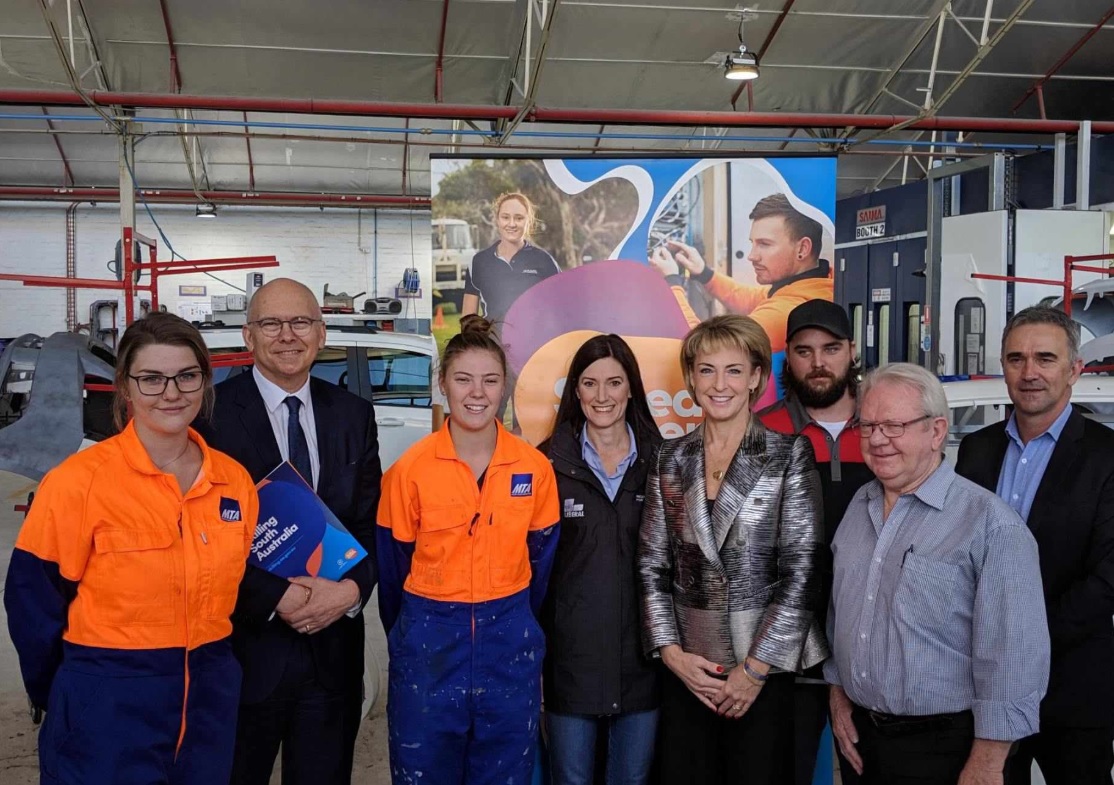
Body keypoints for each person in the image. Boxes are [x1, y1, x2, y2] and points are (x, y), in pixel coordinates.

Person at [5, 312, 258, 785]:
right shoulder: (78, 483)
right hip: (105, 705)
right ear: (125, 386)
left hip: (208, 702)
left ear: (205, 382)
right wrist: (73, 692)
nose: (171, 393)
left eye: (186, 376)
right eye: (152, 378)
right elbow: (32, 603)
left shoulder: (233, 482)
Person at [826, 363, 1050, 785]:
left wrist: (988, 763)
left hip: (948, 750)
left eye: (894, 425)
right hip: (862, 740)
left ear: (936, 431)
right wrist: (838, 694)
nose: (877, 439)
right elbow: (843, 614)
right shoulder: (859, 505)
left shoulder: (991, 526)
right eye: (868, 425)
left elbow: (1013, 661)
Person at [196, 278, 381, 785]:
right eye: (271, 323)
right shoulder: (209, 418)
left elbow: (368, 524)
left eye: (300, 321)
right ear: (248, 336)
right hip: (245, 653)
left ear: (321, 334)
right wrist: (278, 596)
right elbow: (201, 537)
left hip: (333, 654)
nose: (287, 335)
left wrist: (349, 592)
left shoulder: (353, 415)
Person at [638, 313, 827, 785]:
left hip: (765, 673)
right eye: (707, 370)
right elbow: (652, 565)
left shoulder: (789, 454)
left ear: (756, 378)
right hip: (689, 673)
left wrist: (754, 671)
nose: (719, 385)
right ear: (691, 378)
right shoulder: (669, 456)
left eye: (734, 371)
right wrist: (671, 654)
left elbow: (803, 571)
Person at [376, 315, 561, 785]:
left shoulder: (534, 469)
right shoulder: (409, 472)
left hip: (509, 647)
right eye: (463, 379)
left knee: (506, 773)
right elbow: (392, 574)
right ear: (442, 384)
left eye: (490, 380)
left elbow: (542, 566)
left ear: (504, 388)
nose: (477, 393)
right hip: (429, 650)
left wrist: (517, 624)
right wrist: (415, 635)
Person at [956, 305, 1114, 785]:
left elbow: (1107, 579)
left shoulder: (1107, 456)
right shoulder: (976, 450)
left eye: (1045, 358)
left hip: (1073, 686)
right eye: (1016, 358)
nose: (1029, 373)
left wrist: (1023, 640)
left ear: (1074, 370)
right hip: (983, 688)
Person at [757, 299, 873, 785]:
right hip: (790, 643)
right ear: (788, 357)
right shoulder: (763, 431)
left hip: (869, 636)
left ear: (852, 351)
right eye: (804, 351)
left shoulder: (884, 425)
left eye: (831, 349)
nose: (818, 362)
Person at [538, 334, 663, 785]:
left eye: (614, 382)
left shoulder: (664, 462)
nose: (602, 396)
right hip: (569, 666)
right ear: (575, 390)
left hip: (643, 667)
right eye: (590, 383)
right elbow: (532, 574)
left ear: (631, 388)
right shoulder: (545, 464)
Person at [650, 193, 833, 354]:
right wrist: (704, 273)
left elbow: (703, 349)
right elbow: (751, 298)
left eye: (764, 244)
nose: (752, 256)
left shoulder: (788, 311)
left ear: (802, 249)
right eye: (753, 243)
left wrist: (671, 283)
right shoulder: (819, 283)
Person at [462, 191, 561, 324]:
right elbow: (468, 321)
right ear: (497, 220)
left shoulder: (545, 261)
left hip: (534, 338)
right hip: (492, 338)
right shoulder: (478, 262)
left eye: (519, 218)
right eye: (505, 217)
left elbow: (561, 311)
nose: (512, 224)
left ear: (528, 221)